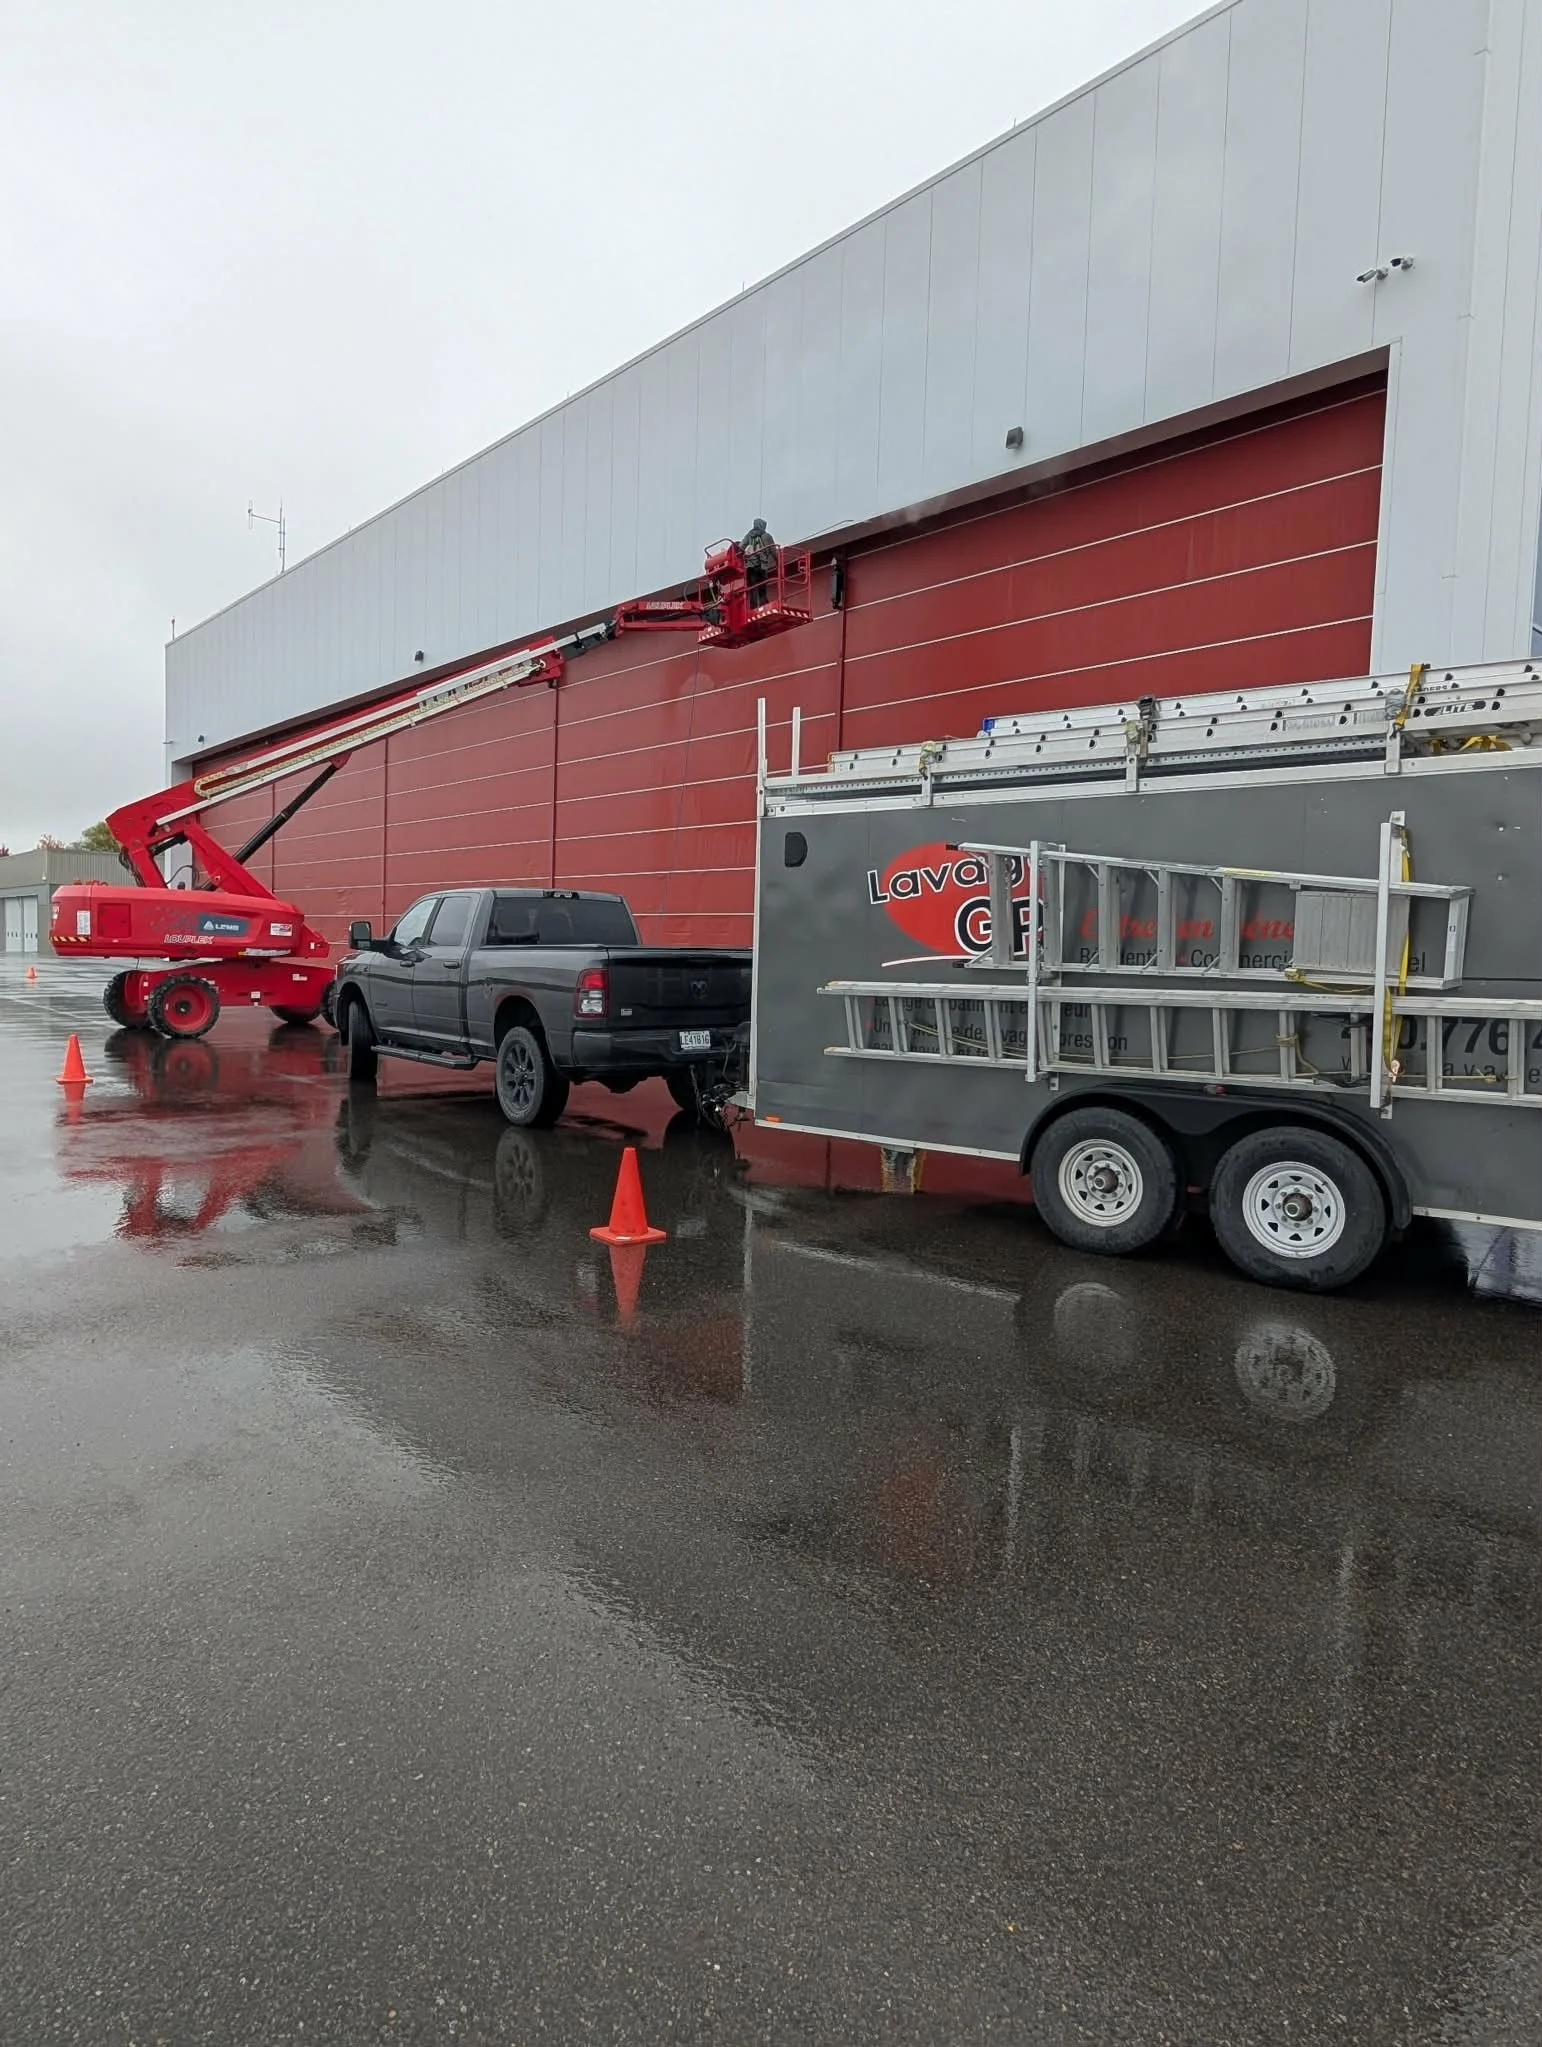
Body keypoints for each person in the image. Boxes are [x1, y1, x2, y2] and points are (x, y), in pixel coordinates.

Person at [740, 517, 778, 610]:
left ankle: (753, 607)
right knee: (762, 587)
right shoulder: (767, 536)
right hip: (762, 566)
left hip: (750, 567)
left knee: (753, 588)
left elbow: (741, 547)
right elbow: (773, 551)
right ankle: (763, 606)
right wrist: (778, 561)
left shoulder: (748, 535)